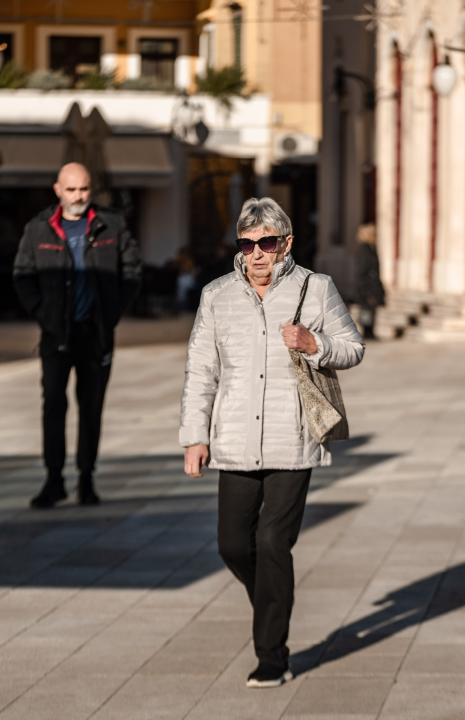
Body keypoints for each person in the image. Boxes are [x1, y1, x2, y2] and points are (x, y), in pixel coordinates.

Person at [180, 198, 365, 688]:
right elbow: (201, 370)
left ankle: (272, 657)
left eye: (266, 243)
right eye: (247, 244)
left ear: (286, 244)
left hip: (293, 437)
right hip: (234, 438)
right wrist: (195, 436)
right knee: (232, 545)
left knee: (271, 542)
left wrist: (315, 343)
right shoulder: (216, 295)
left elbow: (354, 347)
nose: (256, 254)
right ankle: (271, 599)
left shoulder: (315, 288)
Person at [13, 163, 141, 508]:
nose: (78, 196)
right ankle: (54, 480)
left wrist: (113, 312)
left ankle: (87, 479)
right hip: (56, 334)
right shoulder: (38, 229)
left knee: (91, 407)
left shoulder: (110, 224)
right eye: (71, 190)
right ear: (57, 190)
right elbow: (23, 274)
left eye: (83, 189)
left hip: (96, 332)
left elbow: (131, 269)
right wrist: (42, 312)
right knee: (53, 404)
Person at [353, 223, 386, 340]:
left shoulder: (371, 249)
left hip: (373, 285)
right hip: (367, 286)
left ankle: (370, 331)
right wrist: (364, 289)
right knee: (366, 308)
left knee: (372, 309)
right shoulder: (363, 251)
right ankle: (367, 332)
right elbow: (362, 271)